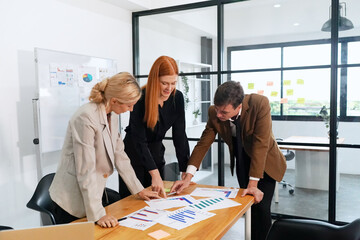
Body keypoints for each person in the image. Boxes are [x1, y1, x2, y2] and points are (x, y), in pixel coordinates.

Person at [170, 81, 287, 240]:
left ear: (239, 106)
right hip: (242, 160)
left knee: (262, 208)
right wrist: (188, 177)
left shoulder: (259, 104)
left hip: (266, 161)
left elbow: (261, 145)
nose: (218, 115)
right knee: (249, 205)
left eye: (224, 112)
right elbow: (204, 142)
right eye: (217, 109)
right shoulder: (215, 112)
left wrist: (253, 184)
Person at [49, 72, 160, 228]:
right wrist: (98, 215)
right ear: (114, 101)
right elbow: (85, 169)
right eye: (129, 105)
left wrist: (139, 190)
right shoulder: (85, 117)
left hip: (92, 193)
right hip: (71, 200)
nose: (131, 109)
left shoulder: (112, 116)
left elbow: (120, 156)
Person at [118, 56, 190, 199]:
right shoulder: (140, 98)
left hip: (156, 154)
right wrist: (154, 173)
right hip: (134, 156)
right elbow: (139, 141)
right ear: (155, 79)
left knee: (157, 202)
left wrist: (184, 169)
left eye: (173, 83)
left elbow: (180, 135)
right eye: (164, 83)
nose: (169, 88)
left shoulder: (177, 98)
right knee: (133, 201)